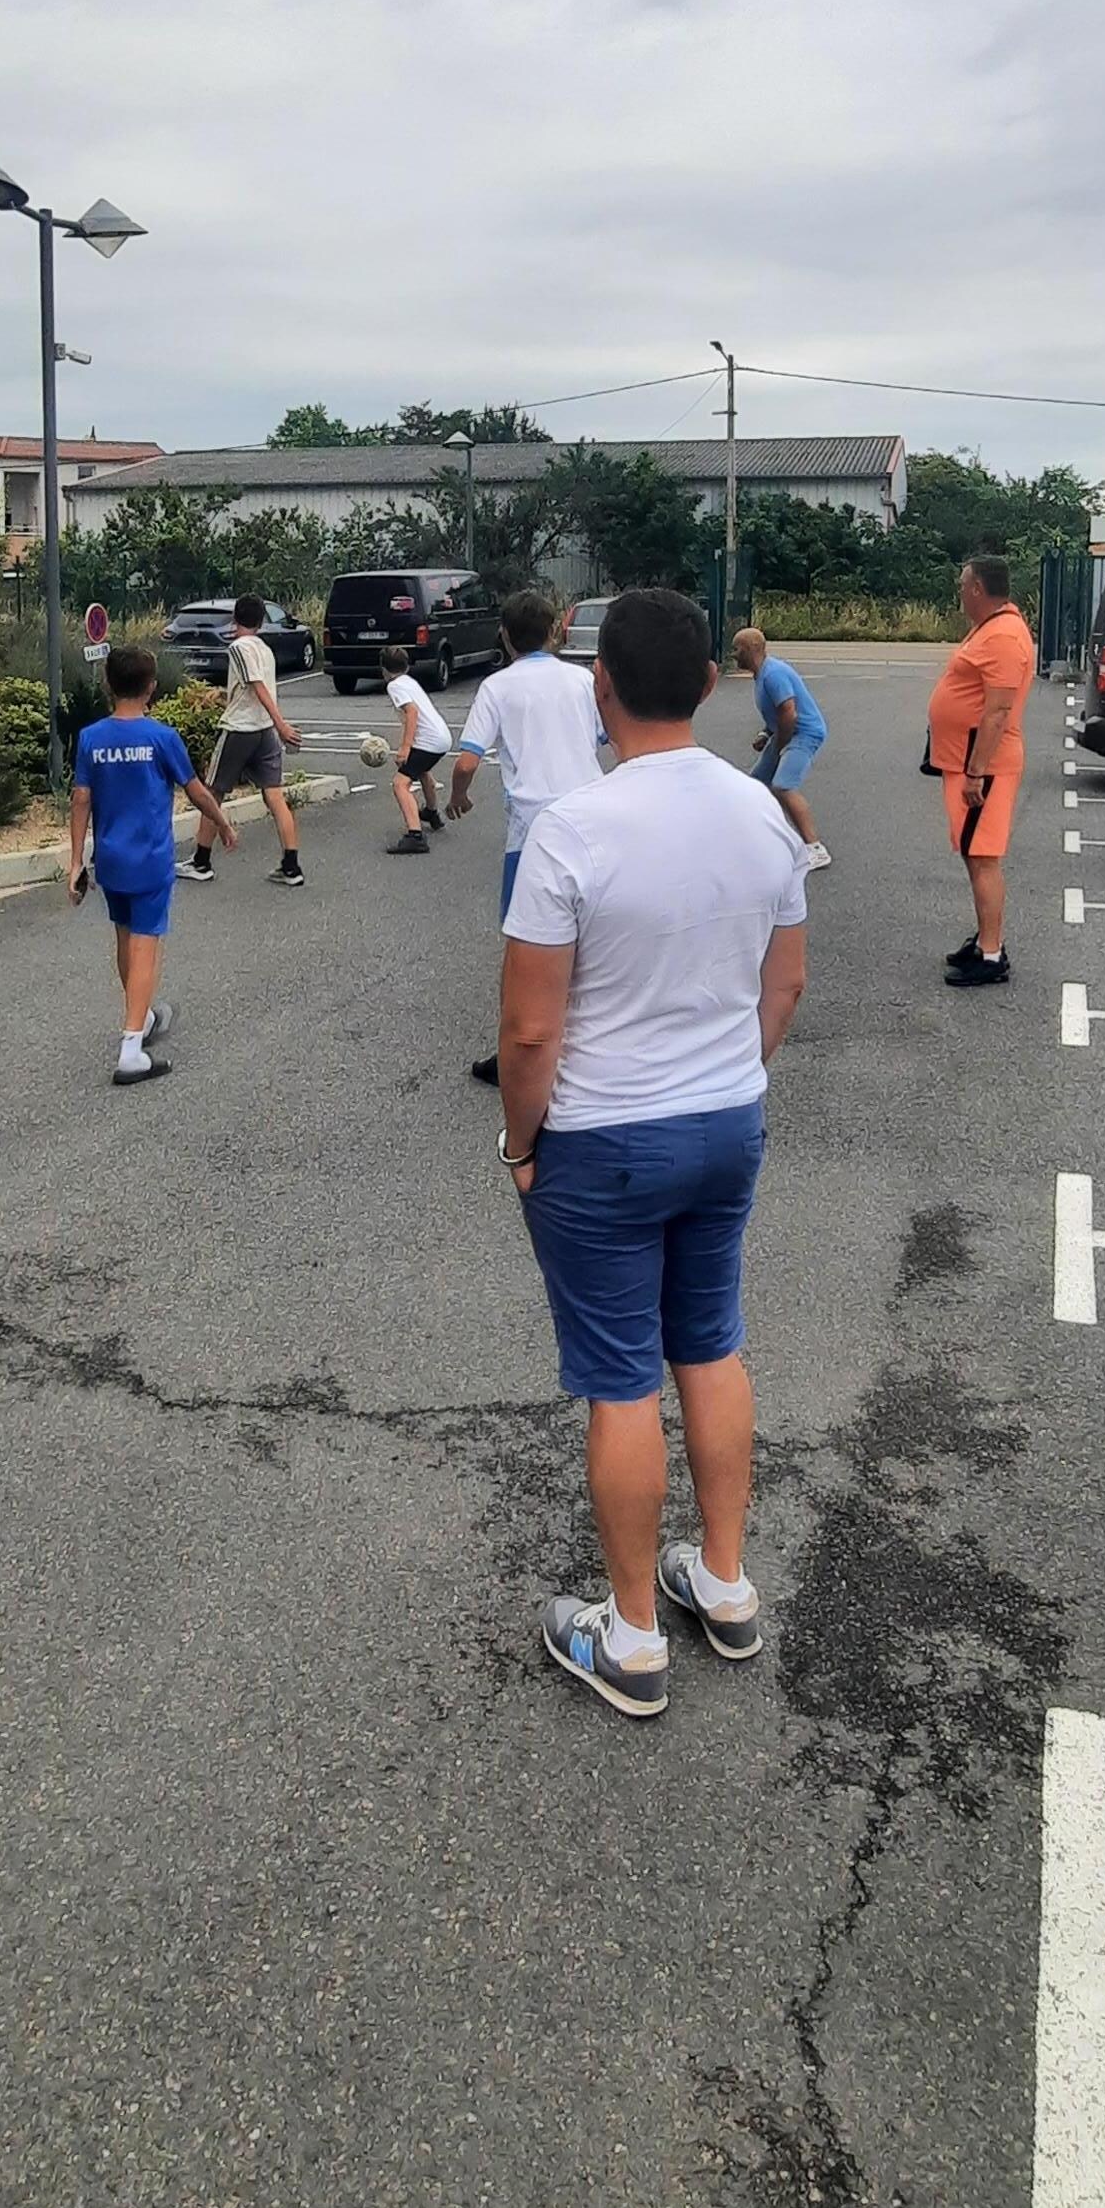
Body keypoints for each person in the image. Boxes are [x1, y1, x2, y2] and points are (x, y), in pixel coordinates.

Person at [497, 585, 808, 1720]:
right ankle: (722, 1582)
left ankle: (631, 1639)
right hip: (726, 1123)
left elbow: (531, 1030)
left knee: (621, 1377)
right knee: (711, 1345)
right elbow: (786, 982)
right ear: (713, 683)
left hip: (602, 1140)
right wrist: (729, 1076)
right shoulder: (764, 815)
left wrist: (521, 1143)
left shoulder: (572, 830)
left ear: (602, 686)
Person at [448, 584, 605, 1080]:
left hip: (534, 829)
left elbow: (467, 760)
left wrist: (458, 797)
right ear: (556, 630)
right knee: (591, 937)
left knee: (525, 946)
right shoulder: (581, 680)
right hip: (592, 819)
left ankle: (516, 1053)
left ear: (504, 635)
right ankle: (586, 1047)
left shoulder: (497, 687)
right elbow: (604, 735)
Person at [70, 643, 238, 1083]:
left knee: (125, 940)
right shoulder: (162, 738)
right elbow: (196, 790)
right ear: (151, 688)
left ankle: (140, 1017)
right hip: (150, 858)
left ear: (108, 684)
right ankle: (131, 1049)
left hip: (110, 859)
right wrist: (222, 823)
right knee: (146, 947)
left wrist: (75, 861)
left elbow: (81, 798)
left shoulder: (90, 739)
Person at [925, 551, 1038, 987]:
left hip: (983, 767)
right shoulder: (991, 627)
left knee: (983, 858)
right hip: (967, 761)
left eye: (962, 584)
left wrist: (976, 772)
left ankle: (991, 956)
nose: (958, 591)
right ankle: (986, 939)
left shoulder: (1003, 636)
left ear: (977, 588)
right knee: (974, 854)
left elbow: (998, 711)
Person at [183, 595, 305, 888]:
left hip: (241, 729)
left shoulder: (239, 646)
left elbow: (256, 685)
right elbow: (253, 687)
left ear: (234, 618)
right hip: (264, 731)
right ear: (261, 621)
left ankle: (201, 861)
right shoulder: (265, 649)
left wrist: (282, 724)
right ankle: (291, 866)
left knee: (213, 792)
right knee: (274, 796)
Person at [732, 627, 830, 866]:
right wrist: (766, 733)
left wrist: (781, 745)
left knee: (783, 785)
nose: (733, 654)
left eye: (737, 649)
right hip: (785, 733)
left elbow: (789, 712)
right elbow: (777, 714)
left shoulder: (773, 674)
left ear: (752, 648)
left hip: (804, 733)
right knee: (757, 785)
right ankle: (760, 840)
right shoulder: (763, 674)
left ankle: (816, 849)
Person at [383, 652, 453, 853]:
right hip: (442, 737)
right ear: (407, 666)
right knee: (422, 770)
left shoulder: (394, 686)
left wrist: (405, 748)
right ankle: (431, 812)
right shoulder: (409, 681)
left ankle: (415, 836)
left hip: (429, 741)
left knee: (400, 783)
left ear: (383, 669)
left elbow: (412, 712)